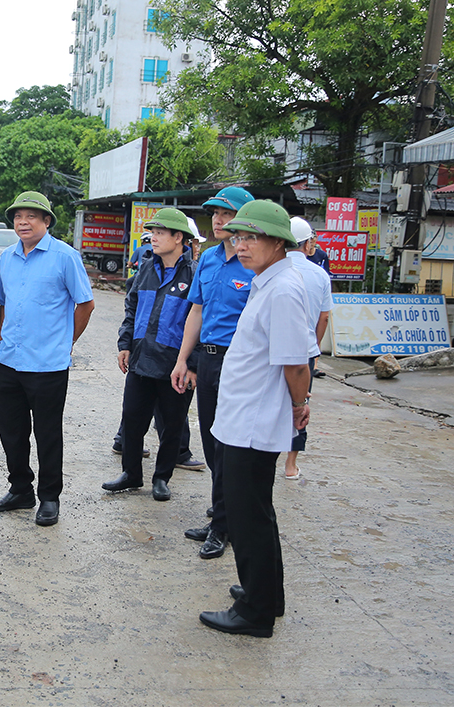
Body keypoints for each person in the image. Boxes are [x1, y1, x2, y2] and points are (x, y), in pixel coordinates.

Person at [198, 200, 311, 638]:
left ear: (278, 242)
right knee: (257, 512)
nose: (241, 245)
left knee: (248, 516)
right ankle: (267, 594)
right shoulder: (269, 280)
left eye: (251, 238)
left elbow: (295, 363)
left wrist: (301, 404)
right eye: (238, 237)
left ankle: (255, 612)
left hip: (253, 422)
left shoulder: (283, 289)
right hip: (243, 415)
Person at [0, 191, 95, 526]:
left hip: (48, 364)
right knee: (11, 431)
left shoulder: (64, 256)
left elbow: (85, 304)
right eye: (18, 217)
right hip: (9, 360)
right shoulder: (7, 257)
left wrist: (66, 341)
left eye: (32, 216)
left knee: (47, 433)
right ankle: (20, 490)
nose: (23, 222)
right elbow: (2, 302)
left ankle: (49, 497)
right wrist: (2, 334)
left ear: (47, 221)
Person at [170, 186, 255, 559]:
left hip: (243, 362)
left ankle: (225, 525)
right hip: (207, 359)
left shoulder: (255, 262)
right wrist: (183, 360)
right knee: (211, 440)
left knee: (231, 446)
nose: (218, 220)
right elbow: (196, 313)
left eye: (227, 213)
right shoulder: (207, 258)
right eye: (215, 214)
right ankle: (222, 515)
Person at [102, 209, 198, 502]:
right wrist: (125, 344)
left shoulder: (194, 274)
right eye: (152, 232)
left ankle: (161, 478)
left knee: (171, 425)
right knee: (132, 419)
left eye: (159, 232)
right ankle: (131, 474)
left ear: (178, 237)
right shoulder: (146, 268)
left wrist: (190, 364)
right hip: (142, 359)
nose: (152, 238)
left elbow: (200, 322)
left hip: (174, 363)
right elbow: (131, 308)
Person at [283, 217, 333, 480]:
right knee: (299, 405)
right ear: (307, 244)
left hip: (276, 350)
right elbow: (324, 317)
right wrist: (314, 349)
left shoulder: (273, 270)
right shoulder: (320, 275)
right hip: (305, 351)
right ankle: (291, 465)